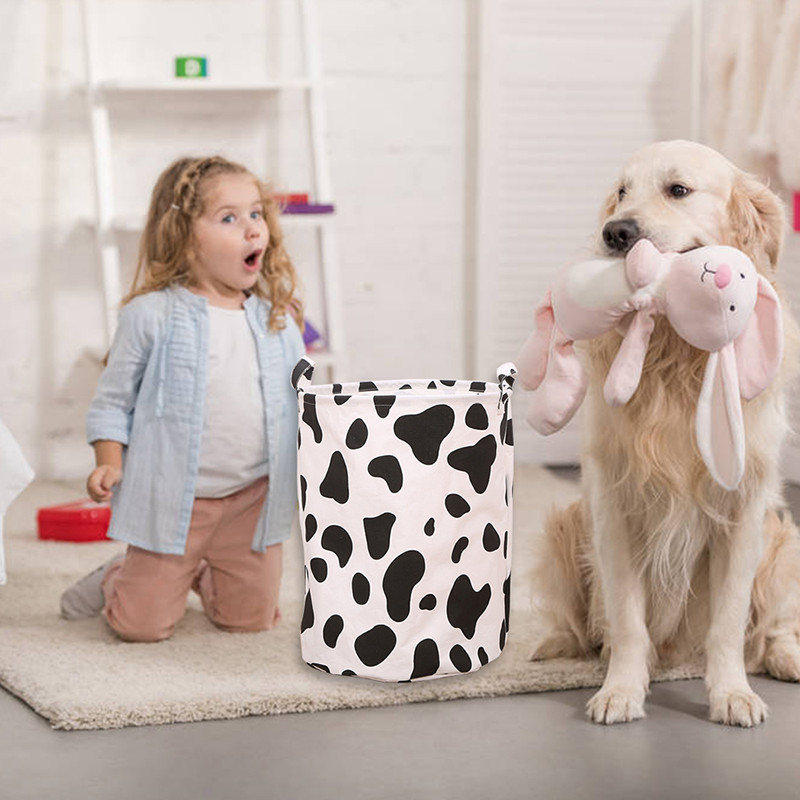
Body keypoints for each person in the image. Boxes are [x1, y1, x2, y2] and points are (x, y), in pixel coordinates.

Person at [60, 155, 306, 641]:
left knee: (251, 621)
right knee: (139, 628)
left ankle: (202, 571)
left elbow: (304, 402)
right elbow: (113, 403)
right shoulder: (151, 316)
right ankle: (121, 577)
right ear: (184, 236)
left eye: (256, 214)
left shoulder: (277, 320)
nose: (253, 229)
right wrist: (109, 462)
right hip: (173, 501)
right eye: (229, 218)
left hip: (251, 501)